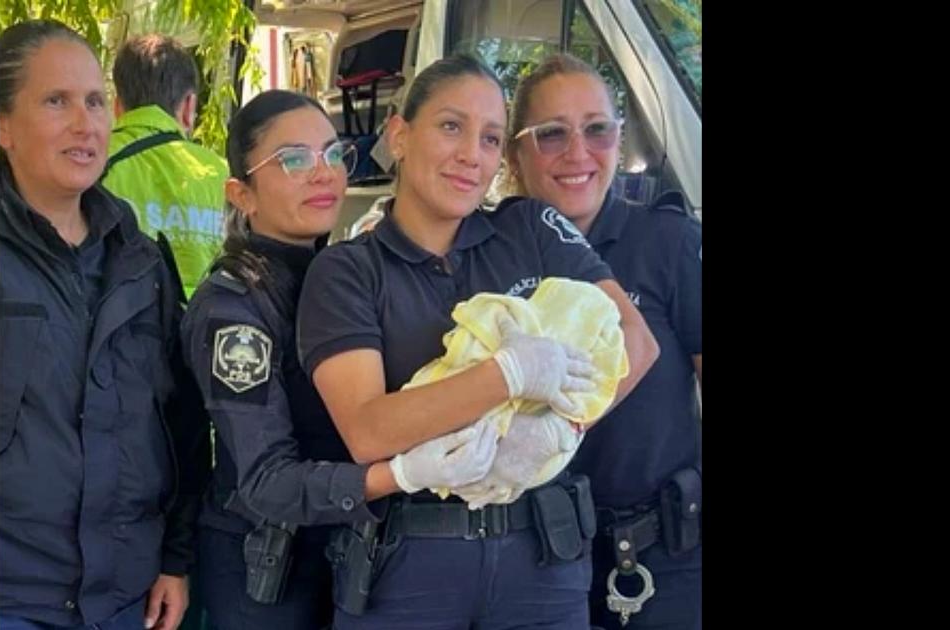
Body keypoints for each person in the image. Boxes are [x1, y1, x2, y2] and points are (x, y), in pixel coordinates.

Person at [295, 53, 660, 629]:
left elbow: (636, 343)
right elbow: (368, 429)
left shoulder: (531, 229)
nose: (472, 154)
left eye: (491, 138)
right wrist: (507, 376)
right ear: (399, 133)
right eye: (450, 126)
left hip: (542, 556)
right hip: (411, 563)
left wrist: (555, 433)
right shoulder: (347, 270)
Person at [180, 89, 496, 629]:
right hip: (269, 569)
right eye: (294, 160)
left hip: (355, 551)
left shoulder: (351, 275)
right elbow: (263, 481)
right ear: (241, 193)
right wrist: (397, 474)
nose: (323, 173)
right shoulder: (233, 308)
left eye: (332, 153)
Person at [0, 20, 209, 630]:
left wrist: (175, 558)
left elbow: (183, 423)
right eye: (55, 101)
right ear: (4, 125)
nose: (85, 123)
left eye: (94, 101)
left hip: (127, 598)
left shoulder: (142, 261)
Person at [506, 53, 702, 629]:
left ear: (620, 139)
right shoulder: (485, 257)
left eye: (598, 129)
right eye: (551, 134)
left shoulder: (669, 243)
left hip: (666, 560)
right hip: (529, 564)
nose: (578, 152)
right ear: (515, 155)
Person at [103, 33, 229, 299]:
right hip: (202, 328)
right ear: (188, 107)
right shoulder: (224, 175)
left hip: (121, 329)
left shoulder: (94, 164)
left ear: (117, 106)